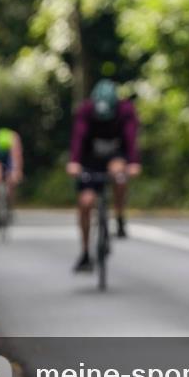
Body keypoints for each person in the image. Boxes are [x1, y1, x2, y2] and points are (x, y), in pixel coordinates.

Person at [66, 79, 141, 272]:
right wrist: (74, 162)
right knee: (85, 202)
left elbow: (131, 138)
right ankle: (85, 252)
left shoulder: (125, 110)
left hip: (116, 155)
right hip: (90, 159)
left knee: (119, 173)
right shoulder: (86, 110)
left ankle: (119, 216)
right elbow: (78, 137)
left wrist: (133, 163)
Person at [0, 127, 24, 210]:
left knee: (11, 180)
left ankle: (9, 202)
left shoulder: (13, 140)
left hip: (9, 158)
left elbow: (17, 158)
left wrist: (17, 172)